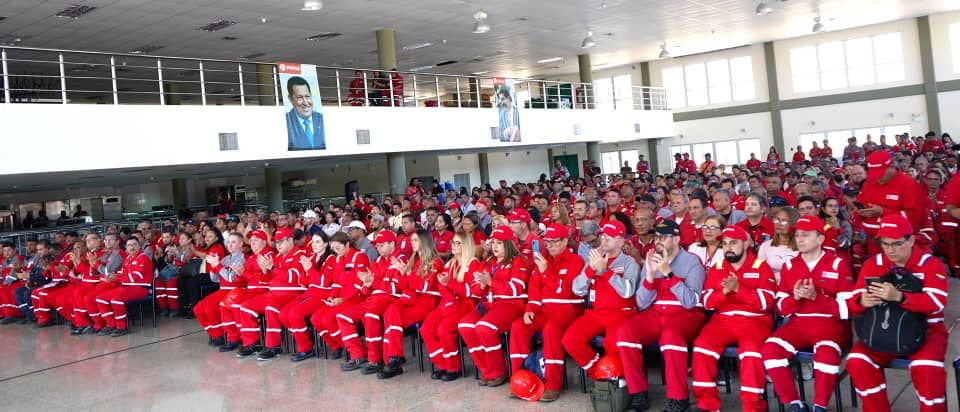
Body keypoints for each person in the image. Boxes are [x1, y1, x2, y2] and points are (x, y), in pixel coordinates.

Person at [845, 214, 948, 412]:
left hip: (927, 331)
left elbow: (937, 304)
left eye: (896, 243)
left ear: (911, 240)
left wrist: (900, 297)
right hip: (882, 330)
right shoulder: (873, 262)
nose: (890, 250)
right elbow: (853, 300)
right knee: (857, 361)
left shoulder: (930, 264)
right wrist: (862, 301)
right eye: (885, 244)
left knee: (927, 368)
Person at [762, 215, 853, 412]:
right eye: (797, 235)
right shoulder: (790, 264)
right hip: (798, 324)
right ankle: (794, 404)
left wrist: (816, 297)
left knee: (826, 355)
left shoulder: (837, 264)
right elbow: (780, 306)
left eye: (805, 235)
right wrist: (794, 297)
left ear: (820, 239)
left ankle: (820, 406)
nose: (800, 239)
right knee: (770, 349)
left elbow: (849, 308)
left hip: (831, 326)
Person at [615, 220, 706, 412]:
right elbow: (641, 303)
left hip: (686, 314)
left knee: (671, 337)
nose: (658, 241)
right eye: (656, 236)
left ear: (677, 239)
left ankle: (678, 398)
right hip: (657, 312)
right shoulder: (651, 258)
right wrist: (649, 276)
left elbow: (691, 301)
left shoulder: (692, 261)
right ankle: (638, 394)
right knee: (625, 333)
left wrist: (667, 274)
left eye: (663, 237)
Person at [692, 225, 776, 412]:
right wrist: (724, 292)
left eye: (734, 243)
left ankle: (753, 407)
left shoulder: (761, 267)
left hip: (755, 320)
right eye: (725, 243)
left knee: (751, 351)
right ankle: (708, 406)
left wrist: (739, 290)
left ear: (746, 244)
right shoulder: (718, 267)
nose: (728, 247)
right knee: (701, 347)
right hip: (723, 320)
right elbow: (706, 301)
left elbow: (767, 302)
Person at [508, 224, 584, 402]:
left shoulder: (576, 261)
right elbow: (534, 290)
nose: (548, 246)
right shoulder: (543, 260)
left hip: (569, 309)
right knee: (518, 326)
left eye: (553, 242)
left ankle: (553, 384)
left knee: (551, 329)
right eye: (547, 242)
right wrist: (530, 310)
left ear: (565, 241)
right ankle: (521, 380)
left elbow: (565, 291)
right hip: (545, 310)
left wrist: (546, 272)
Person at [459, 226, 529, 387]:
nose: (495, 246)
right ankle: (487, 370)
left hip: (510, 304)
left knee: (484, 327)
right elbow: (476, 289)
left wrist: (491, 282)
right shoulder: (489, 261)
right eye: (494, 243)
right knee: (465, 325)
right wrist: (481, 285)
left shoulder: (519, 261)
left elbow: (515, 289)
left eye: (500, 243)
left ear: (509, 244)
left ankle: (498, 371)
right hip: (488, 304)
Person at [374, 229, 444, 379]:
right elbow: (406, 287)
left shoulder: (435, 262)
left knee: (391, 321)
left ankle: (393, 360)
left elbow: (424, 287)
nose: (412, 243)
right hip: (411, 299)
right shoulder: (414, 261)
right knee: (391, 310)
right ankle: (394, 358)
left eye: (415, 240)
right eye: (411, 240)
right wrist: (402, 274)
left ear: (424, 242)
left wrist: (407, 273)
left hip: (427, 302)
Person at [334, 229, 405, 372]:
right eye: (376, 245)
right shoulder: (377, 261)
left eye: (381, 245)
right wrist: (366, 284)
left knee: (370, 316)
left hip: (390, 300)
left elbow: (396, 289)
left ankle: (375, 360)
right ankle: (359, 355)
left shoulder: (400, 259)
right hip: (373, 299)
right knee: (342, 316)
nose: (377, 248)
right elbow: (366, 292)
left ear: (392, 243)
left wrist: (374, 283)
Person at [236, 228, 307, 359]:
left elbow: (292, 278)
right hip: (273, 294)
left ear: (291, 240)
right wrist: (266, 271)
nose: (278, 245)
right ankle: (251, 343)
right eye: (277, 242)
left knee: (271, 308)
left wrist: (272, 268)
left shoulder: (300, 255)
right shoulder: (278, 257)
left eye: (281, 242)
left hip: (291, 295)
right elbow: (269, 279)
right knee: (245, 306)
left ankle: (273, 346)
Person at [422, 231, 482, 381]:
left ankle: (453, 367)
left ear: (466, 245)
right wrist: (449, 300)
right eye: (453, 242)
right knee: (426, 329)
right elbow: (442, 285)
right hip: (449, 303)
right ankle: (442, 364)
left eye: (457, 243)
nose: (453, 246)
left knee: (443, 330)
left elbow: (471, 292)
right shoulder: (450, 262)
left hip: (466, 305)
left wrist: (450, 284)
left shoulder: (473, 263)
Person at [310, 232, 370, 360]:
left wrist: (342, 300)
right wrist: (332, 297)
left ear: (347, 244)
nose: (336, 251)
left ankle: (356, 351)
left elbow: (359, 285)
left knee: (328, 319)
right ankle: (340, 346)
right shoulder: (338, 258)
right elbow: (337, 283)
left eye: (338, 248)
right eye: (334, 249)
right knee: (316, 318)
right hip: (341, 298)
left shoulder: (360, 257)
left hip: (356, 298)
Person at [857, 150, 926, 257]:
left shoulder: (908, 184)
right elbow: (861, 204)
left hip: (897, 245)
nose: (877, 177)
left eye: (880, 173)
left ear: (892, 166)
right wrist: (859, 211)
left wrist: (883, 212)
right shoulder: (868, 183)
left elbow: (914, 217)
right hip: (872, 243)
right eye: (874, 173)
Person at [193, 232, 247, 347]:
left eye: (233, 242)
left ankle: (224, 336)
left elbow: (230, 278)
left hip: (236, 290)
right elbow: (215, 279)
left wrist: (217, 265)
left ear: (241, 244)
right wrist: (213, 267)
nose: (230, 245)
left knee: (210, 309)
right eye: (228, 242)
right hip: (222, 290)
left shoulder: (242, 258)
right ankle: (216, 334)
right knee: (198, 309)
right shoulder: (225, 259)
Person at [93, 237, 154, 337]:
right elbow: (121, 274)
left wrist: (115, 278)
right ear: (126, 248)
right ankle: (111, 324)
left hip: (141, 288)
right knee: (100, 298)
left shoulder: (143, 257)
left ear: (139, 246)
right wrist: (110, 278)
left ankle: (122, 327)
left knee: (116, 299)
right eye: (129, 245)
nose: (132, 247)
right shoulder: (127, 259)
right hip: (127, 288)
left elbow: (133, 277)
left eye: (134, 244)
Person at [757, 207, 801, 281]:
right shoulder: (765, 246)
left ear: (794, 224)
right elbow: (757, 268)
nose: (779, 224)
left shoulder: (803, 246)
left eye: (783, 221)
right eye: (777, 220)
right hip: (771, 284)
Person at [284, 76, 326, 150]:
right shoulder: (286, 121)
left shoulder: (321, 119)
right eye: (299, 97)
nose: (305, 102)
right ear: (290, 99)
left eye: (307, 96)